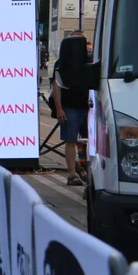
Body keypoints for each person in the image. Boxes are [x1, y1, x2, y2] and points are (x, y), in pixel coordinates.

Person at [52, 31, 90, 186]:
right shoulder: (62, 63)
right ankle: (72, 174)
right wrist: (59, 108)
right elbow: (57, 87)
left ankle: (84, 168)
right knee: (71, 140)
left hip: (87, 106)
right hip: (70, 107)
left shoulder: (88, 61)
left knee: (86, 142)